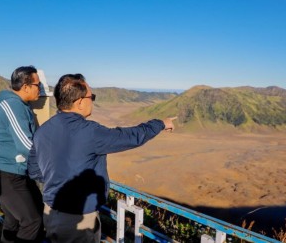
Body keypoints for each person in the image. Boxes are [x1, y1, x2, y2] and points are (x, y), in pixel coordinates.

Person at [28, 74, 176, 243]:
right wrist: (160, 123)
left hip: (50, 212)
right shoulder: (89, 132)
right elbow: (130, 137)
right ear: (80, 102)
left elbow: (34, 171)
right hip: (79, 218)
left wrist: (57, 180)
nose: (93, 101)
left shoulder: (42, 131)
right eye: (92, 97)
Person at [0, 66, 44, 243]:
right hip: (7, 174)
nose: (39, 89)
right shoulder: (13, 105)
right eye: (37, 85)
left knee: (13, 221)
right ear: (26, 86)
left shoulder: (21, 105)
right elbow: (25, 144)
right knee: (32, 221)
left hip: (12, 172)